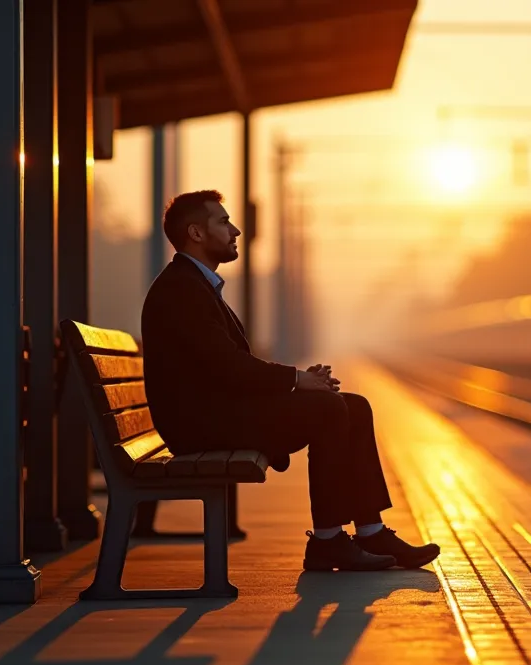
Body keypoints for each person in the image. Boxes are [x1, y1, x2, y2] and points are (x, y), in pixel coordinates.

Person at [141, 190, 441, 572]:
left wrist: (301, 380)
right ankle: (328, 540)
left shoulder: (193, 285)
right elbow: (228, 366)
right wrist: (297, 380)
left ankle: (371, 530)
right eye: (223, 222)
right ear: (196, 233)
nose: (235, 230)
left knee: (354, 406)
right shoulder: (183, 290)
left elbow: (227, 365)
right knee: (329, 409)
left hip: (214, 413)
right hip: (201, 426)